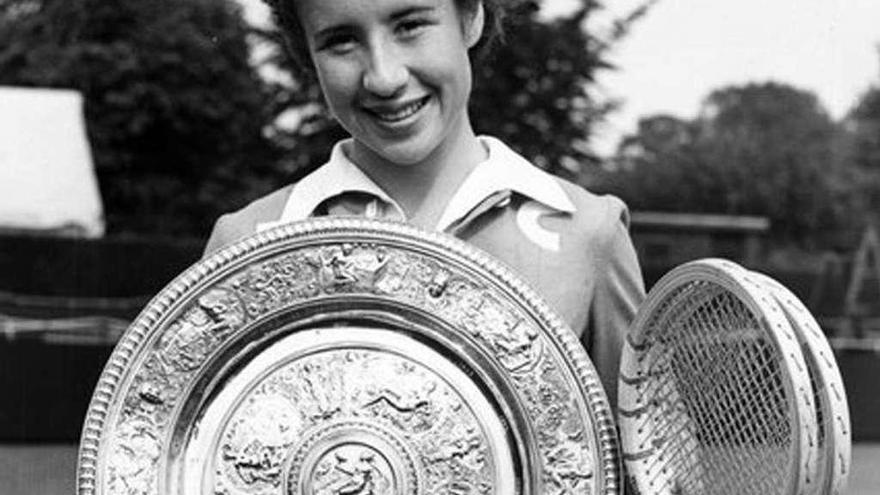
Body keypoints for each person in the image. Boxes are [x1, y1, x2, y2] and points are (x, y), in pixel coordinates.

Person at [204, 0, 644, 404]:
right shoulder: (246, 244)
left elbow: (651, 473)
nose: (384, 77)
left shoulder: (588, 231)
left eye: (410, 25)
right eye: (341, 41)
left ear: (471, 17)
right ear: (306, 53)